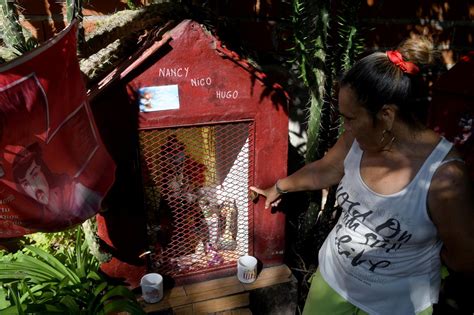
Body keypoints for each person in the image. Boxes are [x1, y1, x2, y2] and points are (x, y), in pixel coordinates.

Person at [250, 37, 474, 315]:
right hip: (333, 281)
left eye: (351, 118)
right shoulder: (356, 138)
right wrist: (279, 187)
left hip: (398, 305)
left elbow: (464, 256)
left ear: (387, 115)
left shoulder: (444, 176)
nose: (347, 126)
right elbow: (326, 169)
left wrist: (413, 258)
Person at [12, 142, 102, 227]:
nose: (34, 188)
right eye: (26, 183)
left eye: (35, 174)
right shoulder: (38, 218)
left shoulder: (78, 193)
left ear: (44, 172)